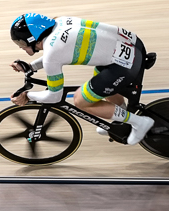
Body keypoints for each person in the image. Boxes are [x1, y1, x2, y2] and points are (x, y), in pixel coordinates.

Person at [9, 12, 157, 145]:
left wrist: (27, 96)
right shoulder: (60, 21)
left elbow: (54, 96)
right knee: (100, 85)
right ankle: (120, 117)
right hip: (133, 44)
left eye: (21, 43)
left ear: (33, 37)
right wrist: (31, 67)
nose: (21, 47)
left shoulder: (52, 54)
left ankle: (139, 122)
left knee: (81, 100)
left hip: (124, 65)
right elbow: (55, 53)